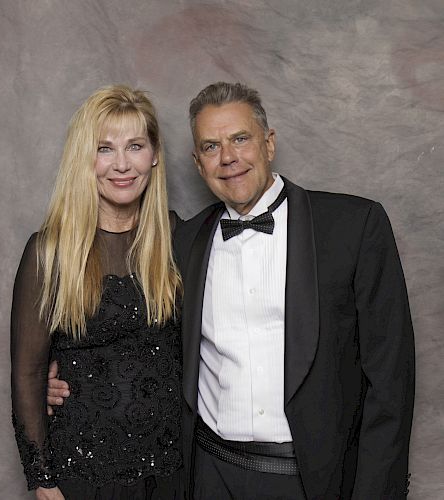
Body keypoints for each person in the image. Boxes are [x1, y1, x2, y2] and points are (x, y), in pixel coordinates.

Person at [49, 82, 415, 499]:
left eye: (240, 139)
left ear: (269, 143)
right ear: (197, 162)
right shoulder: (182, 242)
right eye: (210, 146)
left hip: (313, 478)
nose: (228, 158)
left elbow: (391, 380)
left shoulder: (352, 226)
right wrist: (66, 375)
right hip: (209, 475)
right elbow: (138, 335)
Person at [11, 85, 183, 500]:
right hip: (81, 475)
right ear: (83, 159)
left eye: (135, 146)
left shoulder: (182, 240)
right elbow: (29, 373)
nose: (121, 164)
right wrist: (42, 480)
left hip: (174, 471)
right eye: (104, 149)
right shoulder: (48, 253)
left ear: (154, 154)